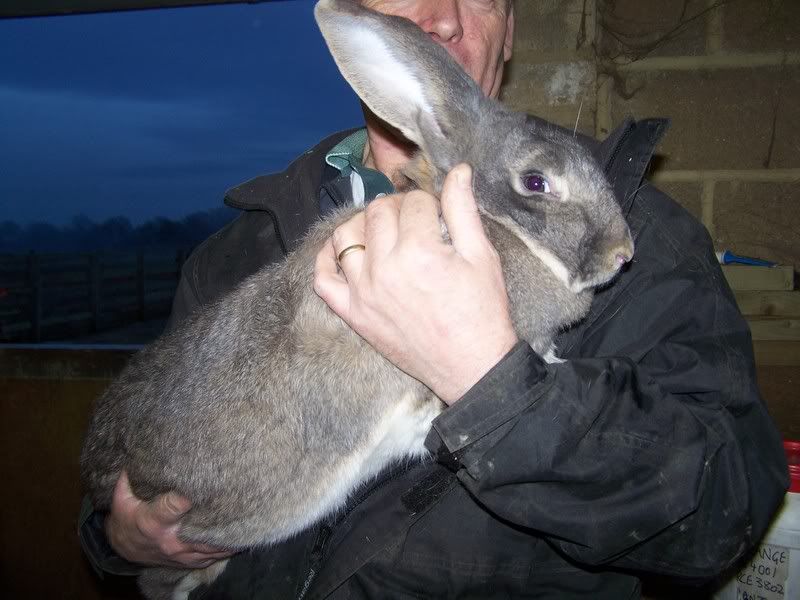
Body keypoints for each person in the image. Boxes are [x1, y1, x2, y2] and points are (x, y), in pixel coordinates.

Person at [79, 0, 789, 597]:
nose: (440, 18)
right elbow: (144, 440)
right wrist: (119, 537)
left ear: (510, 30)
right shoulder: (240, 247)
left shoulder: (639, 244)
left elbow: (721, 513)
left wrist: (496, 380)